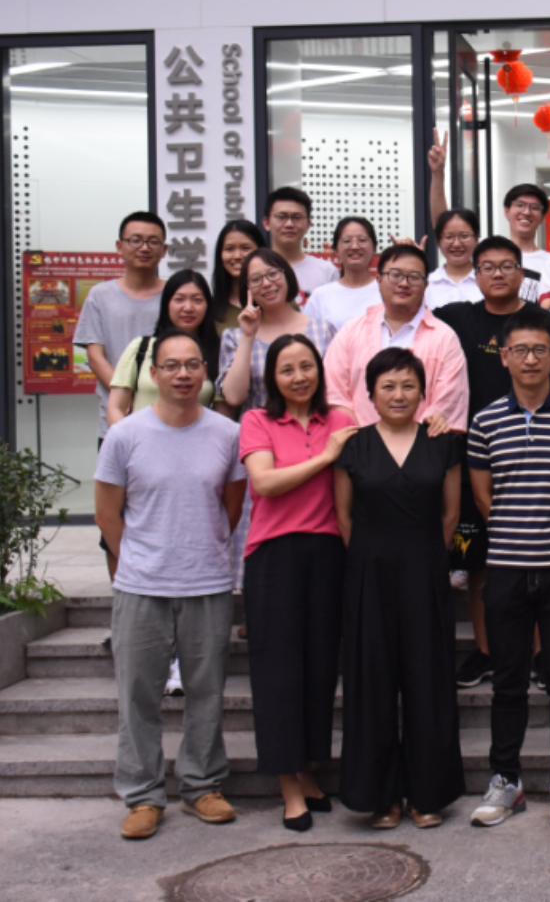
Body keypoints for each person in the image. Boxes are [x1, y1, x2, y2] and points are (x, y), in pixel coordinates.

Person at [95, 332, 247, 841]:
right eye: (171, 365)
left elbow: (230, 507)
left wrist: (198, 549)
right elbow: (107, 513)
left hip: (206, 581)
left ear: (205, 372)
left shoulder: (227, 434)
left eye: (192, 365)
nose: (183, 374)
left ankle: (202, 785)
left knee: (207, 691)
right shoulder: (125, 435)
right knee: (138, 694)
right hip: (142, 586)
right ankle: (142, 794)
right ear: (153, 373)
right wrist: (138, 561)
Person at [466, 308, 550, 829]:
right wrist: (517, 533)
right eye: (520, 350)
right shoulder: (485, 421)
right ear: (504, 357)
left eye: (539, 350)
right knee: (507, 681)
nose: (530, 359)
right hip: (505, 569)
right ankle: (506, 779)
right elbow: (484, 498)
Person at [434, 237, 550, 688]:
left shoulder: (542, 322)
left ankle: (539, 655)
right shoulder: (456, 317)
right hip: (474, 460)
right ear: (475, 274)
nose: (497, 274)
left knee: (537, 559)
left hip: (539, 459)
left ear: (522, 273)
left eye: (506, 266)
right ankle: (487, 652)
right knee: (479, 561)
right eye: (487, 267)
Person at [335, 348, 467, 830]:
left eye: (408, 385)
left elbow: (450, 515)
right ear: (370, 394)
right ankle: (382, 797)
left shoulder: (441, 442)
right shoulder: (353, 446)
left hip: (424, 571)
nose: (398, 395)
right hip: (368, 576)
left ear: (423, 393)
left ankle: (427, 794)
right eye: (387, 386)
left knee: (427, 681)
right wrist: (373, 558)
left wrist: (424, 558)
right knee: (371, 683)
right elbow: (344, 517)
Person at [239, 334, 355, 832]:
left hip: (329, 552)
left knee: (319, 670)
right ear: (272, 377)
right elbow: (264, 482)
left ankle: (306, 769)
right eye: (287, 369)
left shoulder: (341, 421)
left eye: (306, 366)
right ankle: (288, 784)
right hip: (274, 556)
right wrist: (326, 457)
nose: (299, 377)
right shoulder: (257, 421)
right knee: (278, 673)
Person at [323, 243, 468, 429]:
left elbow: (448, 401)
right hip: (357, 441)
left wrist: (413, 439)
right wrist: (362, 439)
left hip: (423, 443)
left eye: (414, 277)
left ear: (426, 285)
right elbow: (334, 393)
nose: (404, 283)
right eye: (395, 275)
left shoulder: (444, 337)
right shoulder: (351, 331)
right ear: (379, 280)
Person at [76, 211, 168, 448]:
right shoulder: (100, 295)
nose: (144, 247)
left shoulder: (175, 295)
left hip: (169, 415)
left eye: (153, 241)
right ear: (119, 247)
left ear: (164, 250)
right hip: (117, 418)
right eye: (135, 240)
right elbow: (95, 357)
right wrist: (128, 395)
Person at [428, 137, 550, 300]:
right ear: (506, 211)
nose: (526, 212)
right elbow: (443, 224)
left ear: (542, 217)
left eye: (534, 207)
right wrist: (438, 173)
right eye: (520, 205)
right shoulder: (484, 250)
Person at [219, 249, 337, 413]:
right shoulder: (235, 337)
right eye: (256, 279)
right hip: (260, 428)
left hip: (315, 425)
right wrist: (248, 336)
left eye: (273, 274)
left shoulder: (322, 330)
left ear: (287, 275)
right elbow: (234, 397)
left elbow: (336, 391)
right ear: (247, 289)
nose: (266, 283)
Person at [107, 270, 222, 427]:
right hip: (141, 441)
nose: (188, 308)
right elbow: (115, 408)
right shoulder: (141, 347)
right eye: (179, 299)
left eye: (197, 300)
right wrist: (129, 440)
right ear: (166, 304)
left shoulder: (218, 353)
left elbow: (222, 414)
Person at [303, 217, 385, 337]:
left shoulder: (386, 291)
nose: (355, 246)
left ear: (374, 248)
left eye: (362, 240)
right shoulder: (320, 296)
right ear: (336, 249)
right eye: (347, 241)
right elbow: (309, 341)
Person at [263, 186, 339, 300]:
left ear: (308, 224)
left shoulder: (327, 271)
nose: (289, 224)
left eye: (297, 217)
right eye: (281, 217)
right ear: (267, 223)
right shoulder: (255, 270)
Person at [210, 219, 267, 332]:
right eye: (229, 249)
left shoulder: (279, 302)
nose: (237, 256)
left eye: (245, 248)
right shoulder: (210, 309)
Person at [425, 209, 484, 310]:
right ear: (438, 242)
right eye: (449, 237)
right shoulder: (427, 284)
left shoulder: (487, 281)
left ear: (476, 239)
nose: (456, 244)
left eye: (464, 236)